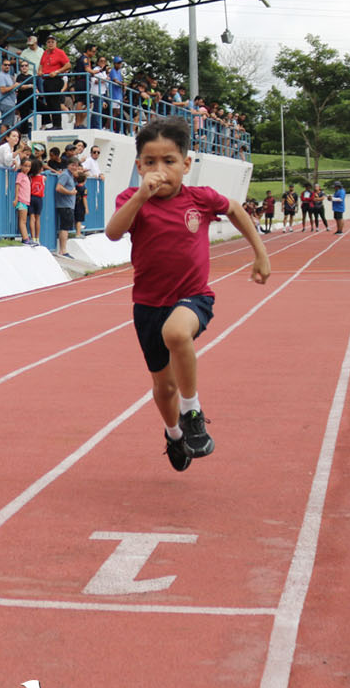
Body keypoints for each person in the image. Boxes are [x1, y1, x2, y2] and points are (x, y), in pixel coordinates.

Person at [104, 118, 270, 473]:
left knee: (177, 333)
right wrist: (141, 196)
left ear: (186, 164)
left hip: (193, 297)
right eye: (150, 162)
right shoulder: (132, 199)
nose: (160, 170)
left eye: (169, 161)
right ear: (139, 166)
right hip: (148, 305)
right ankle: (175, 433)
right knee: (164, 388)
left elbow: (236, 209)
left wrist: (260, 253)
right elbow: (113, 232)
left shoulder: (200, 198)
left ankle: (192, 411)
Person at [54, 153, 77, 256]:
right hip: (65, 205)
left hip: (69, 205)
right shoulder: (65, 175)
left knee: (66, 228)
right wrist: (70, 193)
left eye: (76, 165)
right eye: (72, 165)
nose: (74, 167)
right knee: (64, 228)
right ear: (68, 165)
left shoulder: (70, 175)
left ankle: (63, 250)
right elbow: (58, 188)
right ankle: (63, 250)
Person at [27, 157, 46, 246]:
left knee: (32, 217)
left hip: (31, 197)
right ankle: (38, 238)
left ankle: (33, 237)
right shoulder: (43, 178)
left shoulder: (30, 177)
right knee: (38, 218)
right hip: (39, 198)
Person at [14, 155, 33, 244]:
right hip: (21, 200)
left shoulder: (26, 176)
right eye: (25, 166)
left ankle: (25, 237)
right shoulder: (20, 175)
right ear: (21, 166)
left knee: (24, 220)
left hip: (26, 201)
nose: (27, 168)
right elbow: (17, 186)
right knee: (22, 220)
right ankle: (25, 238)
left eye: (29, 166)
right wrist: (16, 198)